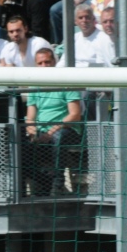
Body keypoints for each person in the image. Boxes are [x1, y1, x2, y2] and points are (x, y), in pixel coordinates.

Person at [22, 47, 82, 196]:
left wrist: (50, 132)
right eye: (40, 63)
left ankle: (58, 184)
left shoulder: (67, 82)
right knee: (18, 143)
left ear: (54, 62)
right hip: (43, 132)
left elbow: (75, 114)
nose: (44, 66)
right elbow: (30, 117)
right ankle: (42, 182)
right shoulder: (34, 85)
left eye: (47, 62)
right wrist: (31, 130)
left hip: (67, 131)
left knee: (58, 137)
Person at [56, 2, 112, 67]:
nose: (84, 20)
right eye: (80, 18)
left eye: (87, 17)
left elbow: (103, 65)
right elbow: (63, 62)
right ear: (75, 21)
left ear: (93, 19)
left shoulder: (103, 38)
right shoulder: (74, 38)